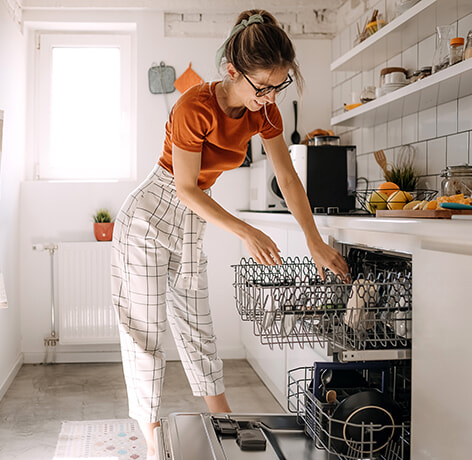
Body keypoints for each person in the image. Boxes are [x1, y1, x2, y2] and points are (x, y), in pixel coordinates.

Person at [111, 9, 349, 457]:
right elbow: (184, 186)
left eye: (278, 85)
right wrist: (245, 230)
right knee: (145, 337)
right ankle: (151, 444)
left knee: (198, 327)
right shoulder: (193, 107)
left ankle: (226, 429)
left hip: (191, 219)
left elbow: (289, 177)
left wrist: (314, 240)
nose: (269, 96)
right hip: (148, 215)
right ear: (232, 71)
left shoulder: (264, 111)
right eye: (262, 86)